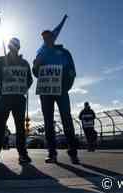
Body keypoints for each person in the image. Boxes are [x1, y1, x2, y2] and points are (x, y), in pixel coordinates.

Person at [33, 30, 79, 164]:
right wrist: (35, 66)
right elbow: (37, 73)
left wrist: (65, 87)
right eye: (44, 38)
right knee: (48, 121)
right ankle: (52, 153)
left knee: (66, 118)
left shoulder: (65, 53)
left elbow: (72, 71)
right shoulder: (41, 54)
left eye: (48, 37)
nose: (46, 40)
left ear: (53, 38)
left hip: (61, 91)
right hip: (46, 92)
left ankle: (73, 152)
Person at [0, 37, 33, 164]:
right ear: (8, 47)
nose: (13, 48)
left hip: (18, 98)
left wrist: (23, 88)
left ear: (18, 48)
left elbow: (29, 80)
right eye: (11, 46)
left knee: (20, 128)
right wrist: (0, 71)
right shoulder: (0, 60)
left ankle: (23, 154)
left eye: (15, 46)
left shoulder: (24, 63)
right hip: (3, 98)